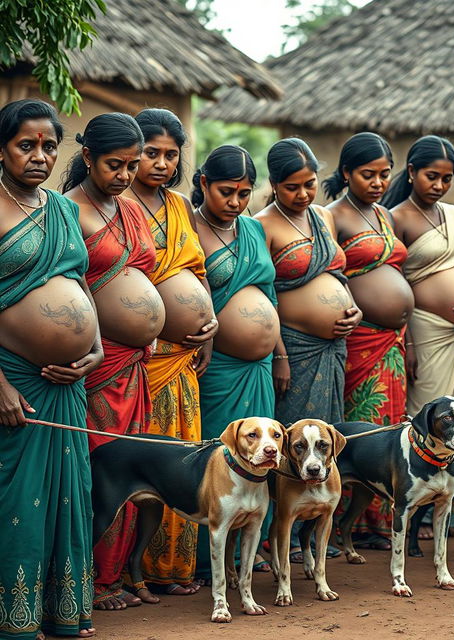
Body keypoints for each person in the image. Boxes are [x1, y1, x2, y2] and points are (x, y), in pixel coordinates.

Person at [0, 99, 101, 639]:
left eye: (48, 146)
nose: (39, 156)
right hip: (13, 380)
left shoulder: (62, 209)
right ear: (2, 149)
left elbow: (79, 283)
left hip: (70, 383)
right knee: (17, 498)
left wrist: (97, 348)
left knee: (68, 491)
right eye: (25, 145)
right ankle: (12, 618)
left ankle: (61, 612)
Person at [63, 114, 166, 611]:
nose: (125, 175)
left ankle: (123, 572)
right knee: (103, 471)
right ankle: (94, 580)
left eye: (132, 164)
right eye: (114, 164)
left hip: (137, 364)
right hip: (96, 366)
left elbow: (146, 275)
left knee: (136, 468)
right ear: (86, 157)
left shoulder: (131, 210)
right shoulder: (67, 211)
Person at [124, 109, 217, 598]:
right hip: (141, 358)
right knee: (142, 464)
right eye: (151, 153)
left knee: (182, 461)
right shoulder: (117, 203)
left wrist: (209, 327)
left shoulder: (180, 206)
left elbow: (197, 271)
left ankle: (171, 567)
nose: (160, 163)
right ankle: (127, 568)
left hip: (184, 357)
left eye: (170, 155)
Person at [255, 138, 361, 561]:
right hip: (293, 350)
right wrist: (278, 353)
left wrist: (350, 310)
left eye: (310, 184)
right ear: (275, 185)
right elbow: (262, 295)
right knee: (291, 442)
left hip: (332, 349)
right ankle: (275, 534)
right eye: (292, 187)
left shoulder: (322, 218)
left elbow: (339, 274)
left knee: (323, 437)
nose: (303, 195)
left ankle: (313, 534)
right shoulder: (261, 224)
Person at [193, 145, 279, 576]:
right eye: (226, 191)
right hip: (218, 368)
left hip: (258, 368)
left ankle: (249, 548)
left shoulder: (253, 229)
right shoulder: (188, 227)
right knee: (218, 454)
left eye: (245, 193)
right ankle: (205, 559)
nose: (236, 202)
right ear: (204, 182)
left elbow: (268, 295)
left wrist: (278, 353)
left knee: (260, 455)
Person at [324, 132, 412, 550]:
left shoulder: (385, 216)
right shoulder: (333, 215)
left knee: (392, 432)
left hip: (392, 343)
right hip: (360, 341)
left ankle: (380, 520)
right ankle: (346, 524)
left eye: (384, 174)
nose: (377, 182)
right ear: (346, 173)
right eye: (367, 174)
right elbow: (328, 271)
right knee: (363, 430)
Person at [384, 135, 454, 415]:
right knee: (430, 412)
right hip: (425, 332)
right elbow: (392, 283)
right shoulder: (396, 218)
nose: (439, 186)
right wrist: (407, 344)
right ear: (411, 172)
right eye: (431, 176)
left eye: (447, 178)